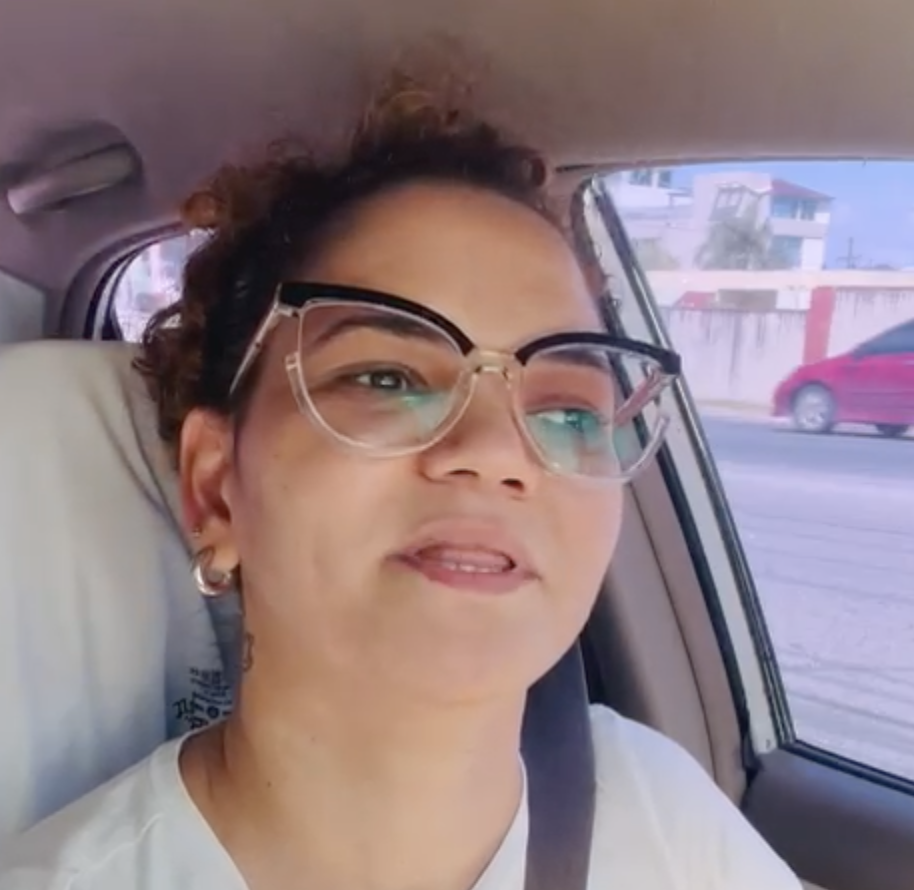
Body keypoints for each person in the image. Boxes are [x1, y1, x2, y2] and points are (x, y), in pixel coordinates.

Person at [0, 71, 802, 890]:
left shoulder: (666, 817)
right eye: (386, 379)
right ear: (215, 489)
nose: (497, 452)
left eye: (565, 411)